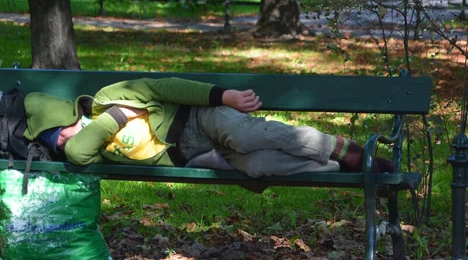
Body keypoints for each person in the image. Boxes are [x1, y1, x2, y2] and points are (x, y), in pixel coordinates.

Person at [24, 77, 394, 177]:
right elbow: (76, 151)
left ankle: (346, 151)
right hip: (198, 155)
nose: (61, 140)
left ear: (69, 117)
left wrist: (224, 96)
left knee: (248, 134)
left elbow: (164, 87)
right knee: (260, 165)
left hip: (202, 119)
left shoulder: (107, 96)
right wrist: (114, 120)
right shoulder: (94, 142)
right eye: (52, 141)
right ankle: (335, 168)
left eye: (58, 131)